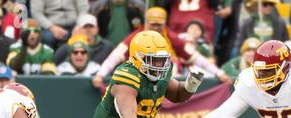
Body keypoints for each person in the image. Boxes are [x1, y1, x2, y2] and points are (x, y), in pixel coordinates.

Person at [91, 7, 231, 89]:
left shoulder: (170, 36)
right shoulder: (135, 37)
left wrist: (219, 73)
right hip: (140, 83)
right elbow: (115, 56)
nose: (156, 28)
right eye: (153, 24)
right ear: (146, 22)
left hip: (166, 85)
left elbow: (195, 57)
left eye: (159, 24)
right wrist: (101, 74)